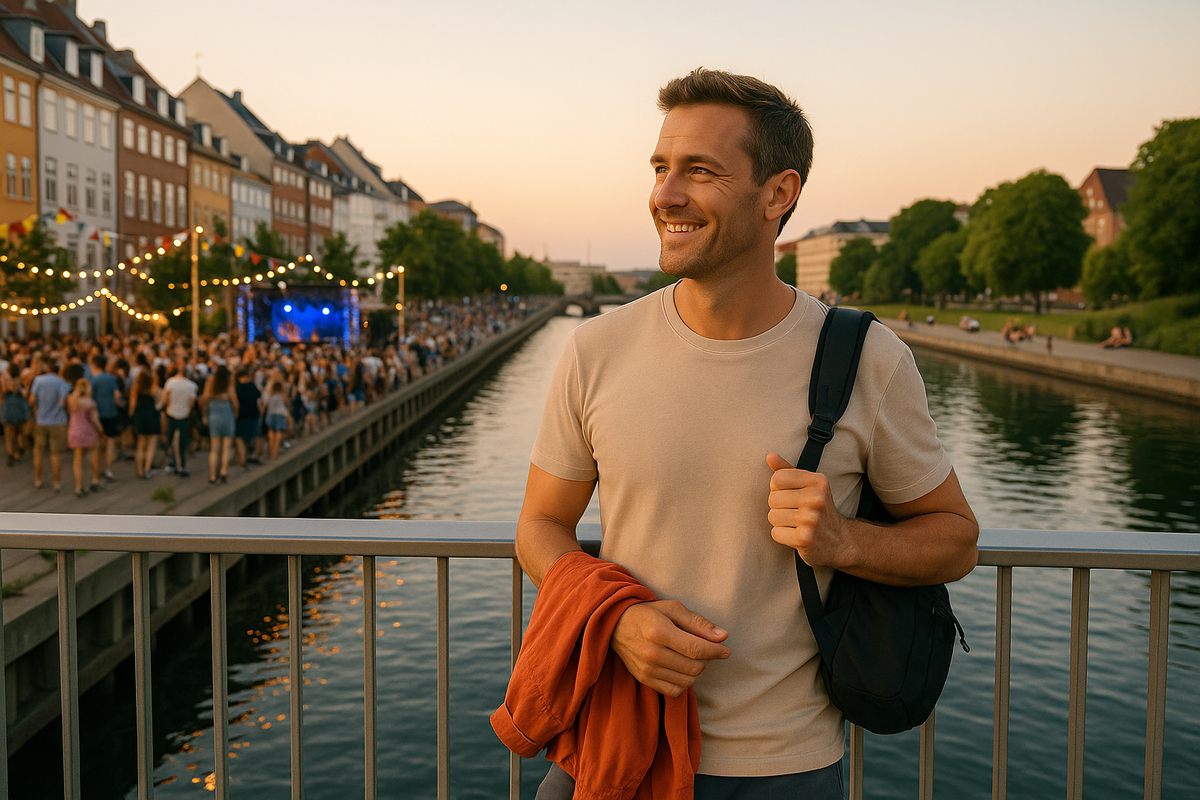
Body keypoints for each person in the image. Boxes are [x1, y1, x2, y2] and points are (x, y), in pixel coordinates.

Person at [513, 68, 978, 798]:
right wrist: (618, 621)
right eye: (662, 168)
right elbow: (540, 525)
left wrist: (844, 542)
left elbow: (955, 537)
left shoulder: (866, 360)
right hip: (612, 744)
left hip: (781, 767)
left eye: (699, 171)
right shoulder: (595, 350)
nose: (666, 194)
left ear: (778, 194)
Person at [29, 360, 72, 492]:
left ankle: (38, 480)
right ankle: (57, 482)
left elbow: (31, 400)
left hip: (41, 420)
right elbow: (64, 403)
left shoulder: (38, 380)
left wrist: (37, 410)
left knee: (38, 452)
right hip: (58, 422)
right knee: (55, 454)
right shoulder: (63, 383)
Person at [65, 377, 103, 497]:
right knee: (94, 454)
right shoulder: (90, 402)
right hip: (88, 431)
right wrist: (101, 431)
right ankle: (95, 479)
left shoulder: (71, 399)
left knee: (77, 459)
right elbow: (94, 419)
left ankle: (78, 486)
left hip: (75, 431)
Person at [201, 364, 239, 484]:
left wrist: (204, 415)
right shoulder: (229, 386)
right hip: (227, 415)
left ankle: (213, 475)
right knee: (226, 447)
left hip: (214, 415)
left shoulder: (210, 384)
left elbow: (203, 399)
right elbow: (235, 403)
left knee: (214, 448)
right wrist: (236, 414)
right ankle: (223, 471)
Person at [88, 354, 121, 482]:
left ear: (95, 365)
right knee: (110, 441)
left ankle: (97, 469)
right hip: (111, 412)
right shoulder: (112, 378)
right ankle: (109, 469)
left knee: (98, 443)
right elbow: (117, 395)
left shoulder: (93, 380)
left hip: (97, 414)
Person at [161, 366, 197, 478]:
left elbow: (164, 399)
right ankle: (181, 465)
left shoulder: (170, 382)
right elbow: (191, 403)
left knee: (170, 439)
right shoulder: (192, 386)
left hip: (171, 413)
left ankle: (172, 461)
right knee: (182, 442)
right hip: (184, 415)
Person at [128, 368, 161, 478]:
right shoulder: (153, 389)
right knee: (151, 443)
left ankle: (139, 470)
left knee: (141, 444)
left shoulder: (135, 388)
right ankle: (147, 468)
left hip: (140, 415)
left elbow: (132, 405)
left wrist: (132, 418)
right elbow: (159, 402)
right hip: (152, 415)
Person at [2, 361, 31, 466]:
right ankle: (19, 451)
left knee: (9, 432)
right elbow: (25, 392)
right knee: (19, 431)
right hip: (19, 405)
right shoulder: (21, 379)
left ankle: (11, 453)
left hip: (8, 405)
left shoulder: (4, 380)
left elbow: (2, 394)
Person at [234, 367, 263, 467]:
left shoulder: (237, 388)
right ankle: (257, 457)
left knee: (239, 437)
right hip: (254, 413)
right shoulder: (252, 385)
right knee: (256, 435)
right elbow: (259, 395)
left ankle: (243, 460)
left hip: (242, 415)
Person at [263, 380, 291, 460]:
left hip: (270, 415)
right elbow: (286, 406)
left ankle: (271, 454)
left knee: (271, 436)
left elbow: (265, 404)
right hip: (280, 415)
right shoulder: (282, 396)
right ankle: (275, 454)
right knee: (278, 436)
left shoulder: (269, 396)